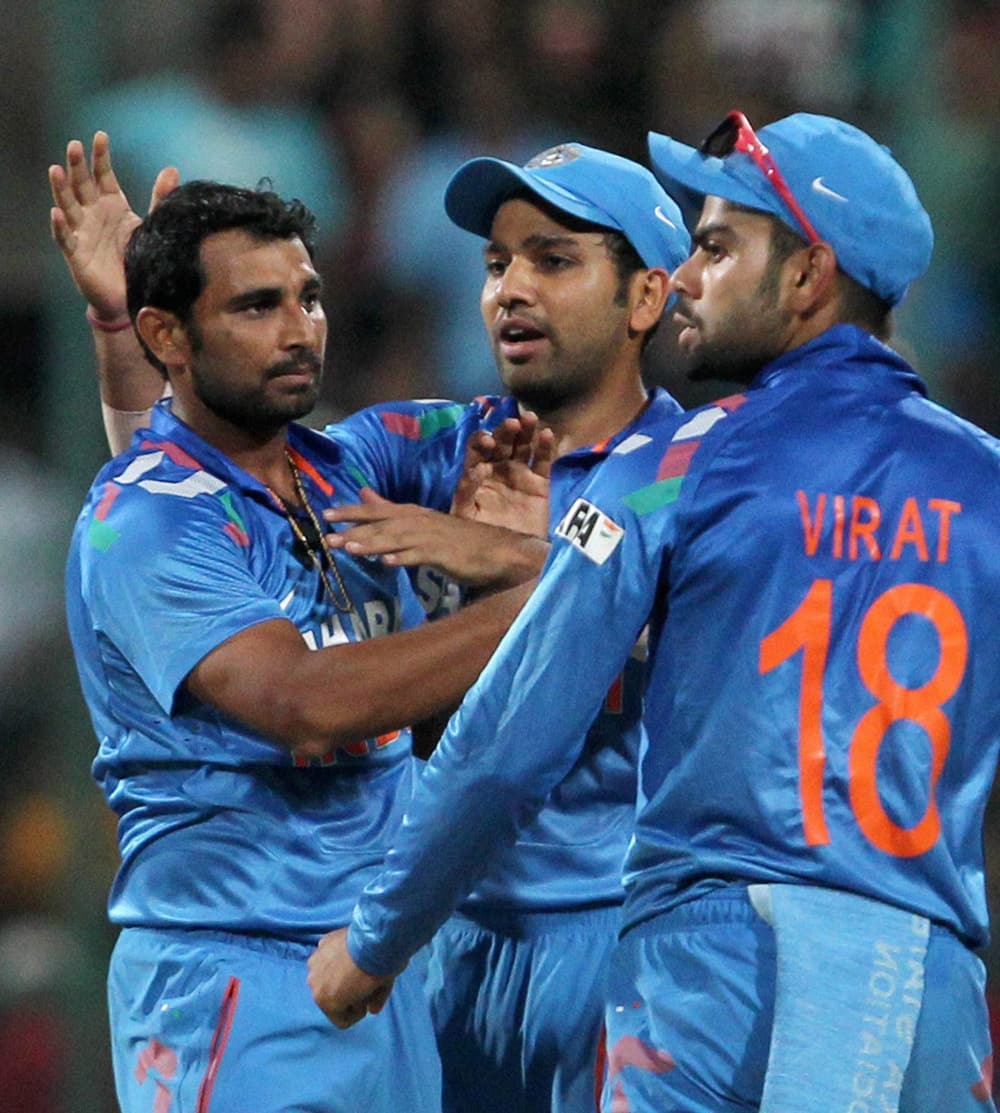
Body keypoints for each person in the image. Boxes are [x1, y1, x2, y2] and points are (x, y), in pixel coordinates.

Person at [307, 111, 1000, 1113]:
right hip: (916, 972)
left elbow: (509, 733)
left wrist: (373, 940)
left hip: (712, 973)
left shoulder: (673, 464)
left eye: (718, 246)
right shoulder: (985, 486)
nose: (688, 274)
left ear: (808, 276)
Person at [52, 133, 692, 1111]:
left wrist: (519, 564)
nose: (299, 330)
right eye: (495, 262)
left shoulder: (349, 469)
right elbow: (297, 689)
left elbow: (211, 455)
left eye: (306, 299)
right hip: (247, 972)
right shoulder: (174, 509)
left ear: (647, 295)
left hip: (459, 958)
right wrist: (559, 596)